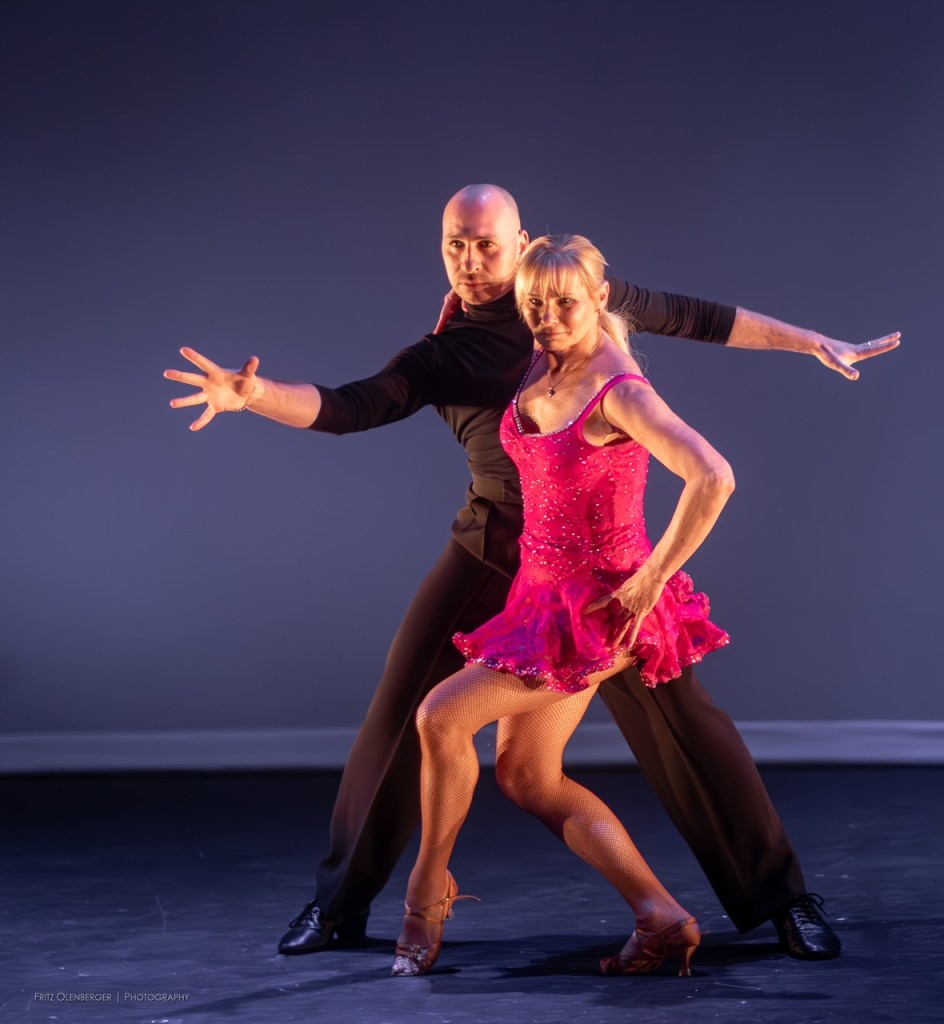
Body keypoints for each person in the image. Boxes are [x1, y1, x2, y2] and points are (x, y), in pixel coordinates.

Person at [164, 183, 898, 962]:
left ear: (521, 247)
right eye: (455, 245)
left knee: (685, 724)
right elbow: (352, 406)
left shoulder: (570, 294)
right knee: (407, 711)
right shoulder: (448, 348)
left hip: (599, 567)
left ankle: (782, 900)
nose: (470, 261)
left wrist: (812, 341)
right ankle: (339, 906)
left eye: (486, 244)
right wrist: (255, 395)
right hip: (497, 546)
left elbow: (697, 318)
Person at [394, 232, 734, 977]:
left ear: (599, 298)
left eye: (564, 305)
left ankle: (426, 891)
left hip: (592, 612)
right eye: (534, 307)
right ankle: (661, 917)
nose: (547, 320)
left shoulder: (621, 391)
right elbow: (478, 348)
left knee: (439, 716)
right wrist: (452, 328)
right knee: (527, 778)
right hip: (540, 597)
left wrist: (651, 579)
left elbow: (713, 476)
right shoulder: (542, 358)